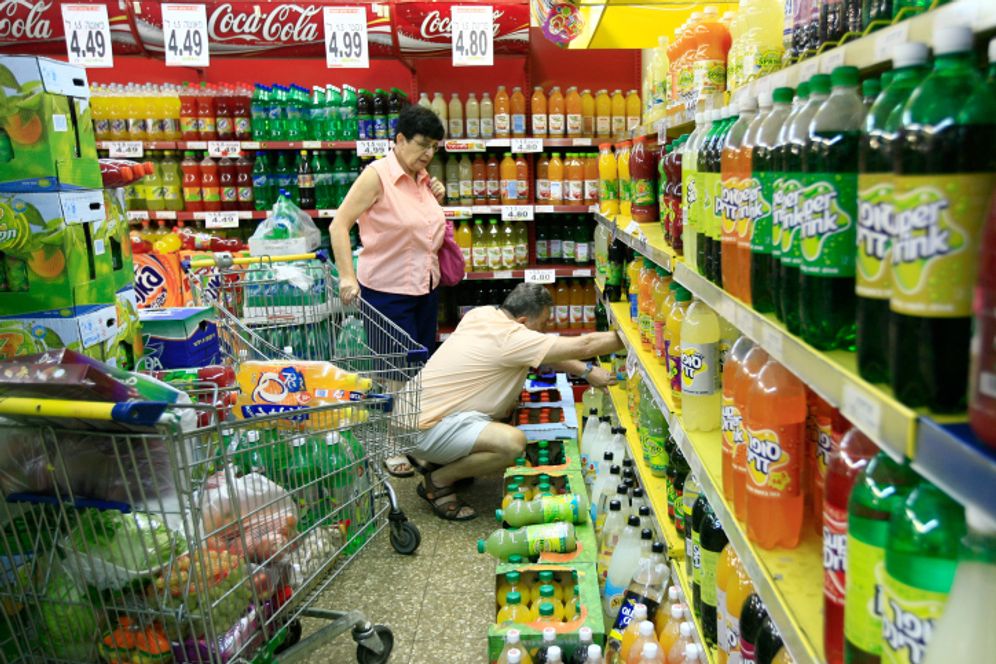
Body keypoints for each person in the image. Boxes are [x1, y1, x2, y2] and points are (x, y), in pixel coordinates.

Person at [407, 283, 624, 520]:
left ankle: (441, 460)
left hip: (410, 416)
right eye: (542, 326)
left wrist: (585, 371)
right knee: (513, 444)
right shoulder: (512, 338)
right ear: (522, 322)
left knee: (506, 410)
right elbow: (585, 345)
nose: (544, 332)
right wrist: (629, 334)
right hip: (426, 430)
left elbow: (539, 351)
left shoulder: (482, 315)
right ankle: (439, 481)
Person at [330, 104, 447, 478]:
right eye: (422, 144)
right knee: (393, 372)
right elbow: (338, 225)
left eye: (435, 147)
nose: (428, 153)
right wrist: (347, 277)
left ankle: (413, 439)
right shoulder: (376, 175)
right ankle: (390, 445)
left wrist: (434, 195)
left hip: (425, 287)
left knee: (418, 370)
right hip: (387, 290)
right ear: (398, 139)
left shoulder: (422, 178)